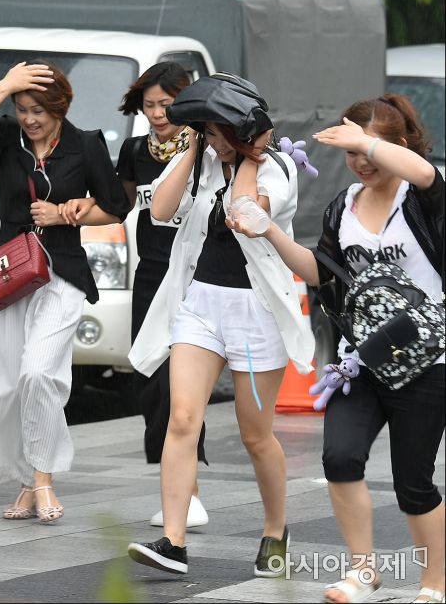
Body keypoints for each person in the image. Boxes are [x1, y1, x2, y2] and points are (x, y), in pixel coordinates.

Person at [228, 94, 445, 603]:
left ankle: (434, 583)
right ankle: (363, 572)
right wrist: (268, 232)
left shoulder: (421, 197)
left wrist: (363, 140)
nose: (361, 162)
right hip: (360, 360)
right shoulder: (342, 206)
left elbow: (424, 172)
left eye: (369, 151)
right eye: (350, 154)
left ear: (399, 145)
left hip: (427, 361)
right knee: (340, 458)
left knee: (413, 482)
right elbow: (320, 274)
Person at [125, 75, 315, 576]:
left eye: (220, 132)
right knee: (182, 418)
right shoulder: (201, 160)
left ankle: (276, 530)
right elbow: (160, 211)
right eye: (207, 131)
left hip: (255, 312)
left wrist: (250, 155)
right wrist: (192, 149)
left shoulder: (278, 168)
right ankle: (173, 541)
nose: (214, 141)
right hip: (201, 304)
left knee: (256, 435)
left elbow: (243, 213)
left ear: (245, 129)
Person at [0, 61, 131, 522]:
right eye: (23, 108)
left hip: (61, 275)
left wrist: (70, 212)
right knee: (11, 383)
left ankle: (43, 479)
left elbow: (115, 208)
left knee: (37, 373)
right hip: (10, 277)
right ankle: (26, 483)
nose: (30, 118)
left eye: (39, 110)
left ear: (60, 107)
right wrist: (2, 86)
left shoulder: (85, 145)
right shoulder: (6, 138)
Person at [58, 62, 209, 528]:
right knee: (150, 381)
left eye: (167, 104)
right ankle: (179, 488)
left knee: (180, 385)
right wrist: (74, 210)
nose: (158, 114)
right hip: (151, 278)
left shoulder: (207, 149)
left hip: (198, 280)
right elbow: (117, 207)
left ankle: (188, 494)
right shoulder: (136, 150)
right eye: (149, 106)